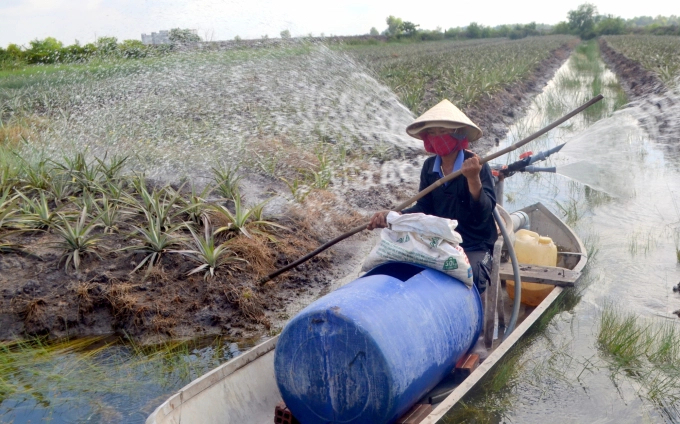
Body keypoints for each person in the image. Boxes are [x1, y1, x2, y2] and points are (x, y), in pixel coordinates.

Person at [368, 99, 497, 294]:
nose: (438, 137)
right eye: (432, 133)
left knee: (470, 281)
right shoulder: (430, 167)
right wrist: (393, 216)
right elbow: (424, 209)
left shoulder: (476, 165)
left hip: (473, 242)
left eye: (443, 131)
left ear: (458, 133)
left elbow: (484, 213)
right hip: (441, 240)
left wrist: (473, 179)